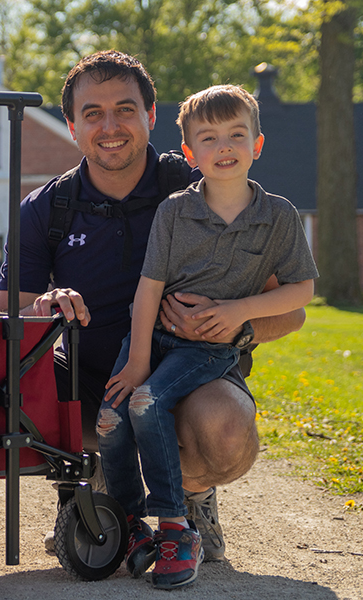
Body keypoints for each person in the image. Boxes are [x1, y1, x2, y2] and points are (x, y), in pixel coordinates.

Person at [0, 50, 306, 568]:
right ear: (71, 126)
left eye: (125, 109)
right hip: (92, 383)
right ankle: (85, 487)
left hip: (188, 375)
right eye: (93, 113)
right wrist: (46, 305)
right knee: (14, 382)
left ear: (152, 116)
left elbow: (292, 309)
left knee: (225, 429)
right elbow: (6, 318)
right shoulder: (45, 208)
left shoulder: (203, 184)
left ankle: (192, 495)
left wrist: (230, 321)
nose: (110, 126)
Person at [98, 84, 318, 588]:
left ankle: (177, 528)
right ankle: (132, 525)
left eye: (237, 135)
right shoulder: (175, 211)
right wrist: (135, 360)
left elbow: (301, 290)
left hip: (210, 350)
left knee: (147, 403)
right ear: (191, 154)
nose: (224, 147)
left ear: (257, 145)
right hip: (156, 339)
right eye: (210, 138)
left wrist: (240, 310)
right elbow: (149, 289)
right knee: (112, 415)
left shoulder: (277, 216)